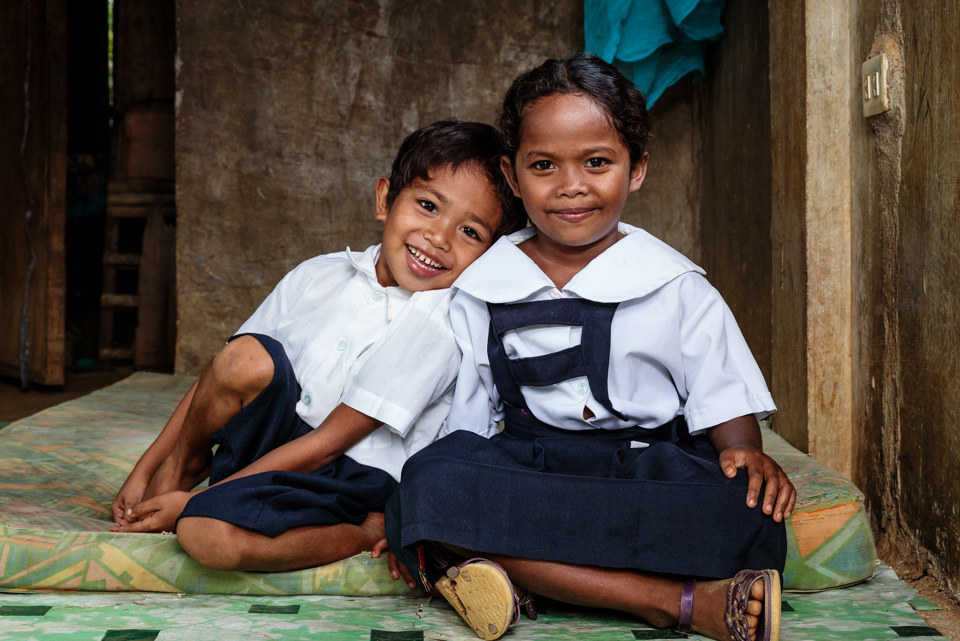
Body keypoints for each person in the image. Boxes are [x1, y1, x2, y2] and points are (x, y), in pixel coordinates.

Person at [382, 53, 797, 641]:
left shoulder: (677, 286)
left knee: (750, 515)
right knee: (427, 484)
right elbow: (469, 420)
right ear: (512, 174)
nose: (571, 186)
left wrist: (744, 451)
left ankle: (505, 570)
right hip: (532, 466)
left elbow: (724, 399)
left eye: (597, 162)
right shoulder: (481, 286)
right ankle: (677, 602)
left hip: (645, 470)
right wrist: (431, 495)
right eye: (544, 164)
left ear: (637, 169)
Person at [110, 120, 526, 573]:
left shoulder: (438, 320)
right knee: (244, 357)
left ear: (488, 256)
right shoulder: (320, 274)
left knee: (203, 534)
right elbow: (217, 374)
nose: (439, 237)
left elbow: (328, 444)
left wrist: (195, 505)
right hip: (278, 447)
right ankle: (182, 470)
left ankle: (364, 529)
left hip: (345, 477)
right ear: (385, 199)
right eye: (428, 205)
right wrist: (147, 468)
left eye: (471, 233)